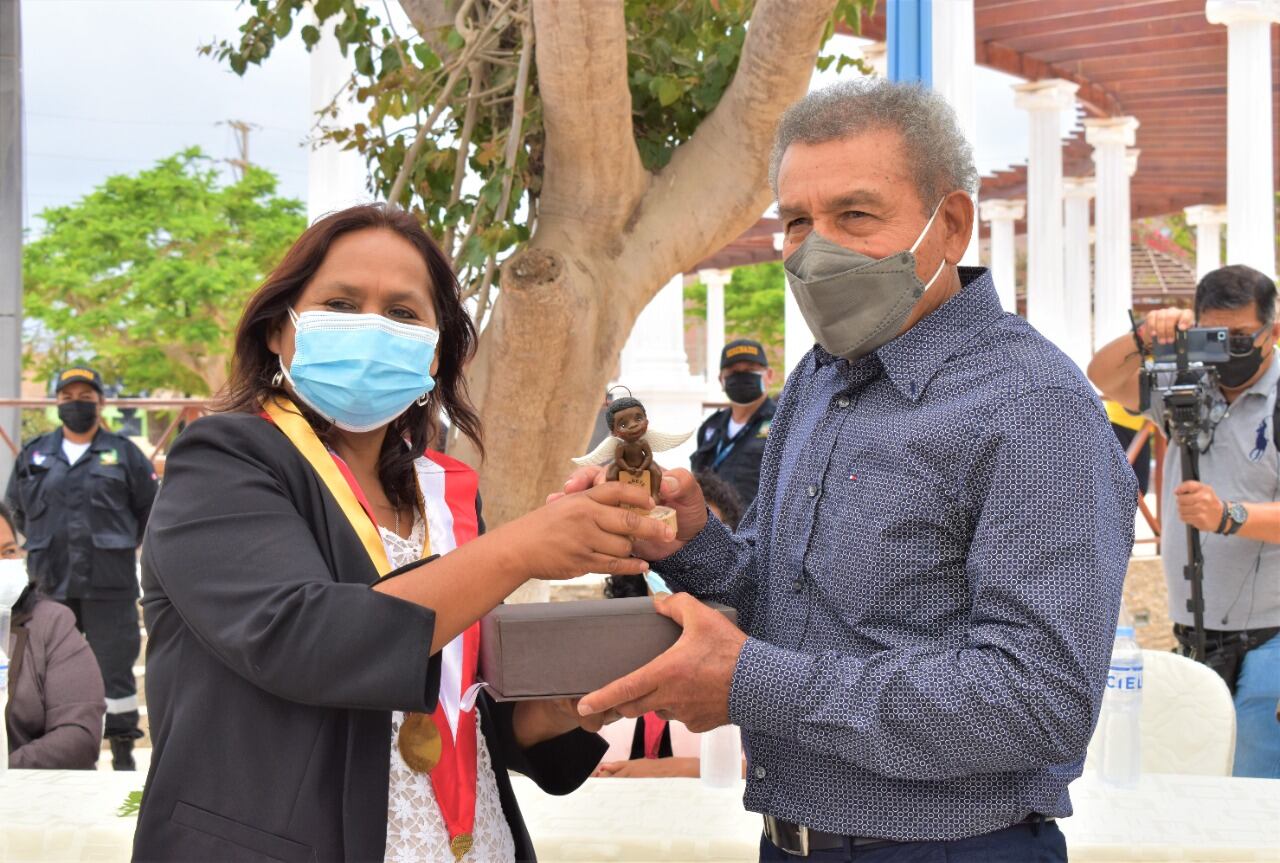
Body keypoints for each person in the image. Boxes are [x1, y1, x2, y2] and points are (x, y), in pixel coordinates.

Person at [564, 79, 1136, 862]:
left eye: (855, 215)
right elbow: (783, 604)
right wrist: (688, 536)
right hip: (791, 841)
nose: (815, 249)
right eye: (797, 220)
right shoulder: (819, 379)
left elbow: (1038, 700)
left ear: (952, 225)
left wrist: (753, 683)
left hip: (954, 847)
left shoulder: (1034, 405)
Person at [132, 204, 672, 863]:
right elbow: (302, 637)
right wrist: (523, 546)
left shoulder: (441, 492)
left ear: (436, 350)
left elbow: (462, 709)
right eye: (341, 301)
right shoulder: (223, 460)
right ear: (279, 328)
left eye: (402, 313)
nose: (372, 326)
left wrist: (561, 707)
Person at [1088, 264, 1280, 779]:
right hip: (1194, 631)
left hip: (1271, 637)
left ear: (1274, 331)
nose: (1229, 349)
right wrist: (1144, 333)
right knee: (1196, 778)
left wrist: (1230, 517)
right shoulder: (1188, 382)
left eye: (1241, 336)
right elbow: (1101, 377)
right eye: (1215, 334)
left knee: (1253, 782)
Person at [3, 366, 157, 770]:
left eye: (85, 397)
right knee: (42, 675)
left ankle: (122, 755)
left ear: (100, 402)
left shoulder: (124, 454)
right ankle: (46, 756)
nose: (76, 404)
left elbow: (149, 511)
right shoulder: (35, 454)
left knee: (116, 677)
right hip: (48, 588)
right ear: (57, 403)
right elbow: (16, 511)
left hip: (110, 586)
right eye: (68, 397)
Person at [596, 471, 744, 780]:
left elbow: (768, 765)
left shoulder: (744, 650)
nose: (686, 566)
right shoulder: (612, 644)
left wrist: (667, 770)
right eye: (666, 542)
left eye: (699, 552)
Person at [2, 502, 106, 769]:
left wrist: (7, 769)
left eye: (8, 551)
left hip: (29, 802)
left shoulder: (50, 624)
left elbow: (78, 737)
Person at [691, 340, 776, 508]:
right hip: (711, 528)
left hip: (757, 531)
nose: (742, 376)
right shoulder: (710, 428)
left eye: (751, 370)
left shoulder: (783, 424)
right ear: (721, 379)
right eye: (733, 372)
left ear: (769, 376)